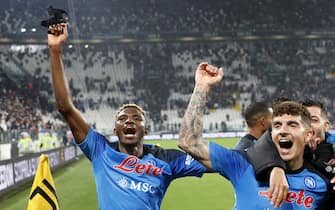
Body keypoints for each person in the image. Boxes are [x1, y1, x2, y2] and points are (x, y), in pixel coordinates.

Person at [48, 23, 206, 210]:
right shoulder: (101, 150)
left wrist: (201, 88)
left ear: (145, 130)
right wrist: (55, 50)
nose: (129, 120)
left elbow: (213, 161)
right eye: (122, 119)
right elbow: (65, 107)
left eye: (137, 118)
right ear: (116, 130)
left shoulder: (166, 159)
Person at [178, 62, 329, 209]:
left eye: (292, 124)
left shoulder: (321, 183)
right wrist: (202, 87)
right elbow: (188, 142)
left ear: (308, 135)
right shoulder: (243, 164)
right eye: (277, 125)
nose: (283, 130)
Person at [246, 99, 335, 209]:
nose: (308, 125)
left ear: (326, 126)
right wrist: (275, 167)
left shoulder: (332, 148)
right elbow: (254, 147)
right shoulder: (277, 146)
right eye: (304, 120)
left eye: (313, 120)